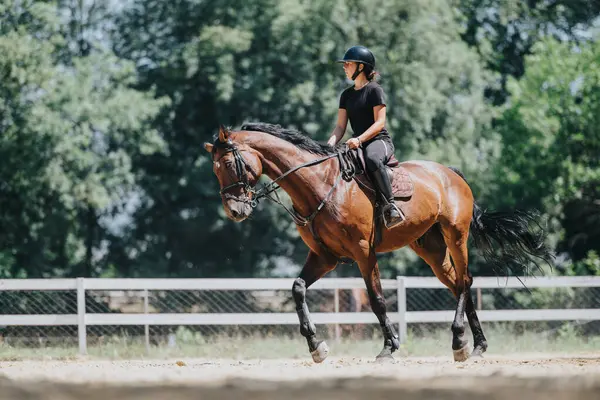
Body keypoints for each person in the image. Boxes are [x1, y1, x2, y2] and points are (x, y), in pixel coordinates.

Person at [327, 45, 404, 228]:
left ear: (361, 67)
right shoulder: (346, 95)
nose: (344, 67)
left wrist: (360, 139)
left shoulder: (374, 90)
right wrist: (330, 144)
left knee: (372, 158)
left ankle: (390, 206)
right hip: (356, 144)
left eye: (348, 64)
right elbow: (340, 126)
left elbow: (380, 123)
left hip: (379, 141)